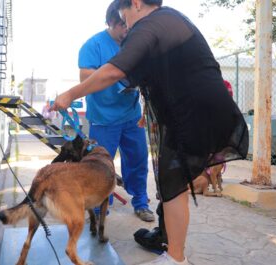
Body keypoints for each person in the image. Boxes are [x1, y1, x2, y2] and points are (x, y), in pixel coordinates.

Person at [51, 0, 249, 264]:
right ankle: (172, 250)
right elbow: (157, 75)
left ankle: (175, 257)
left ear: (135, 4)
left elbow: (112, 72)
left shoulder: (149, 25)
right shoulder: (172, 20)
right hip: (201, 110)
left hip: (190, 115)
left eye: (125, 16)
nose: (126, 24)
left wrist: (69, 94)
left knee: (173, 186)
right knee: (173, 186)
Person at [133, 78, 236, 255]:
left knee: (171, 186)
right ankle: (168, 237)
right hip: (178, 131)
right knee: (172, 185)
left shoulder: (171, 70)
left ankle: (167, 240)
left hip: (180, 133)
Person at [78, 0, 154, 222]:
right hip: (103, 119)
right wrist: (115, 78)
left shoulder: (133, 42)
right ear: (111, 22)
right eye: (123, 25)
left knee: (138, 160)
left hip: (132, 117)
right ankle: (102, 206)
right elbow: (85, 78)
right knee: (101, 166)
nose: (127, 29)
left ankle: (140, 202)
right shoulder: (93, 45)